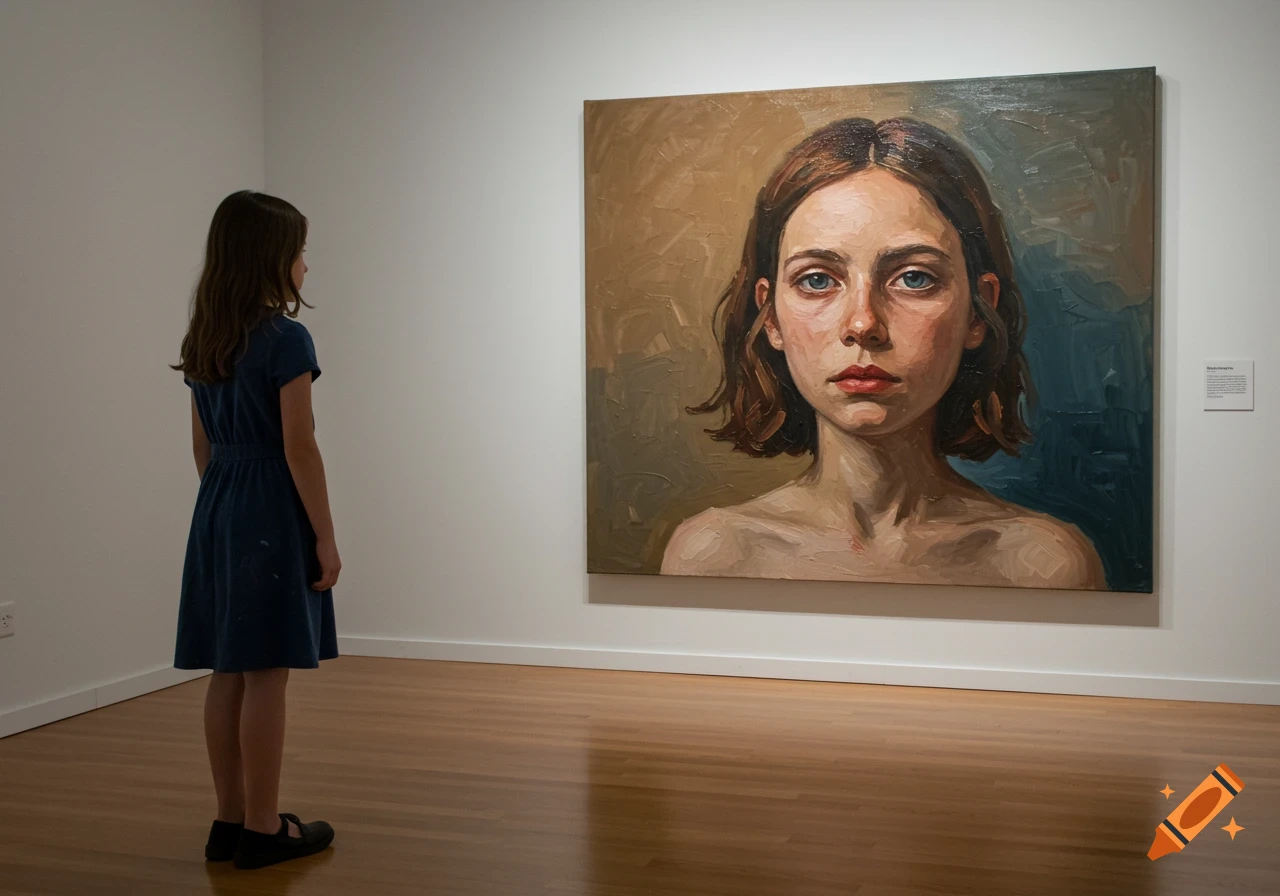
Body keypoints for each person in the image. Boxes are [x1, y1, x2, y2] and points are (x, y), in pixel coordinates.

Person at [662, 118, 1106, 590]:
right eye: (817, 280)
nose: (862, 325)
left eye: (914, 277)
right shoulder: (715, 555)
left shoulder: (1043, 566)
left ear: (979, 312)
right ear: (770, 316)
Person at [172, 190, 340, 869]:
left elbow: (202, 449)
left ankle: (229, 821)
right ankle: (266, 830)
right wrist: (324, 535)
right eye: (300, 251)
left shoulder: (205, 336)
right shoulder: (286, 337)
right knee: (267, 672)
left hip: (217, 505)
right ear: (272, 258)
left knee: (228, 671)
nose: (306, 265)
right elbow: (300, 445)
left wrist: (224, 509)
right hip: (270, 504)